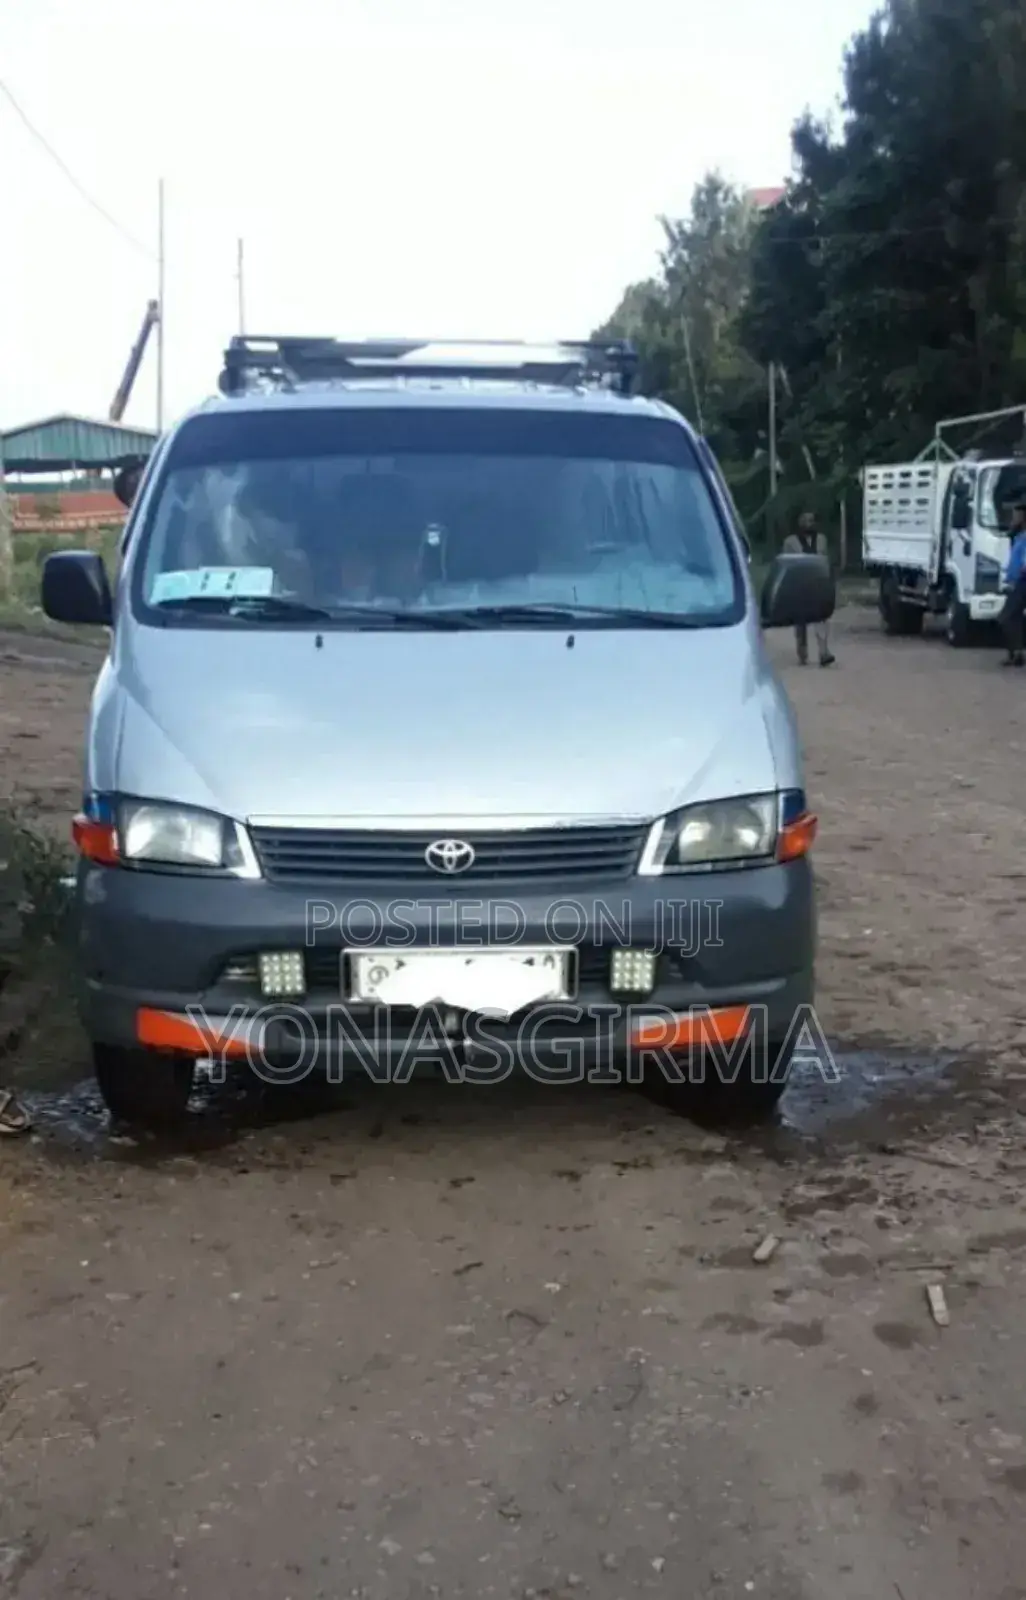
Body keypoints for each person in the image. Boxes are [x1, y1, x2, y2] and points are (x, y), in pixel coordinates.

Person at [783, 511, 836, 667]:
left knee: (821, 618)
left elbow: (826, 561)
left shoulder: (821, 540)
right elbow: (786, 565)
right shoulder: (790, 542)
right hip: (799, 586)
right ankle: (802, 652)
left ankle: (824, 652)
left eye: (812, 520)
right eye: (806, 520)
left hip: (818, 584)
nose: (809, 523)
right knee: (800, 623)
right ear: (799, 523)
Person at [999, 502, 1026, 668]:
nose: (1013, 519)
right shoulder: (1018, 536)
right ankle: (1016, 653)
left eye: (1016, 515)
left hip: (1023, 582)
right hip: (1017, 582)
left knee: (1006, 617)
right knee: (1014, 617)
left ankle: (1016, 653)